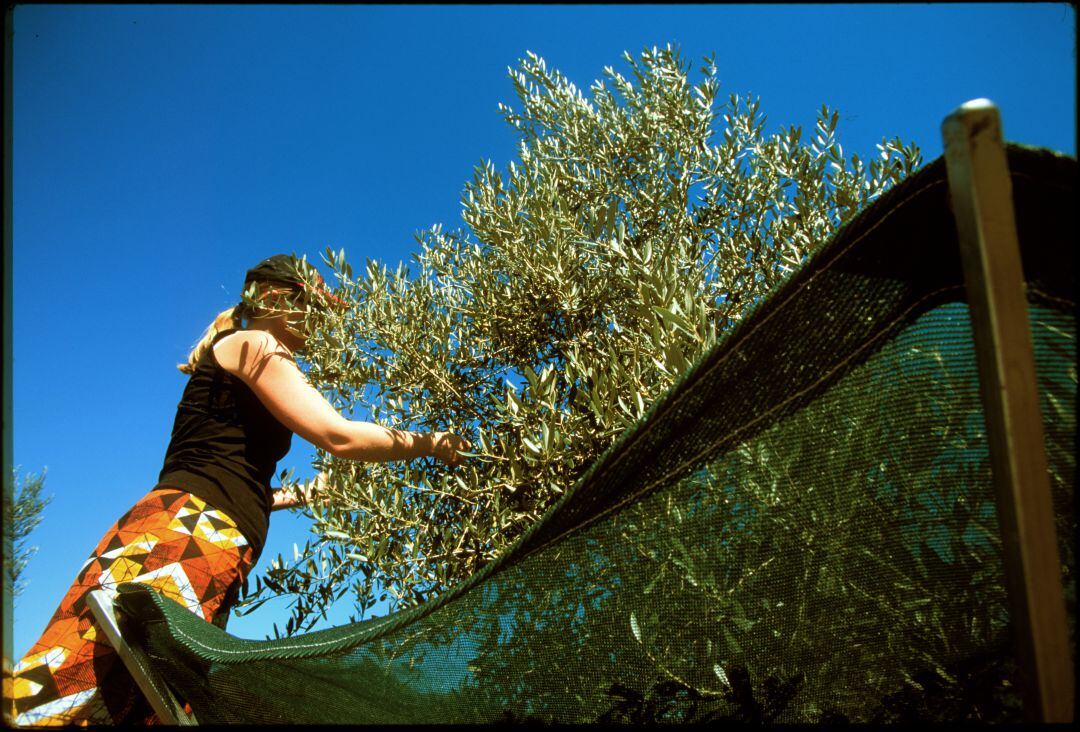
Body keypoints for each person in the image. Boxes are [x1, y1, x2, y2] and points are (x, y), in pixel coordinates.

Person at [9, 254, 470, 726]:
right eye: (311, 305)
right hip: (183, 538)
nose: (320, 323)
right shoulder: (254, 342)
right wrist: (432, 444)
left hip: (198, 533)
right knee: (82, 682)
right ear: (272, 297)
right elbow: (340, 436)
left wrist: (298, 496)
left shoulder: (240, 351)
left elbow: (224, 468)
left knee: (131, 697)